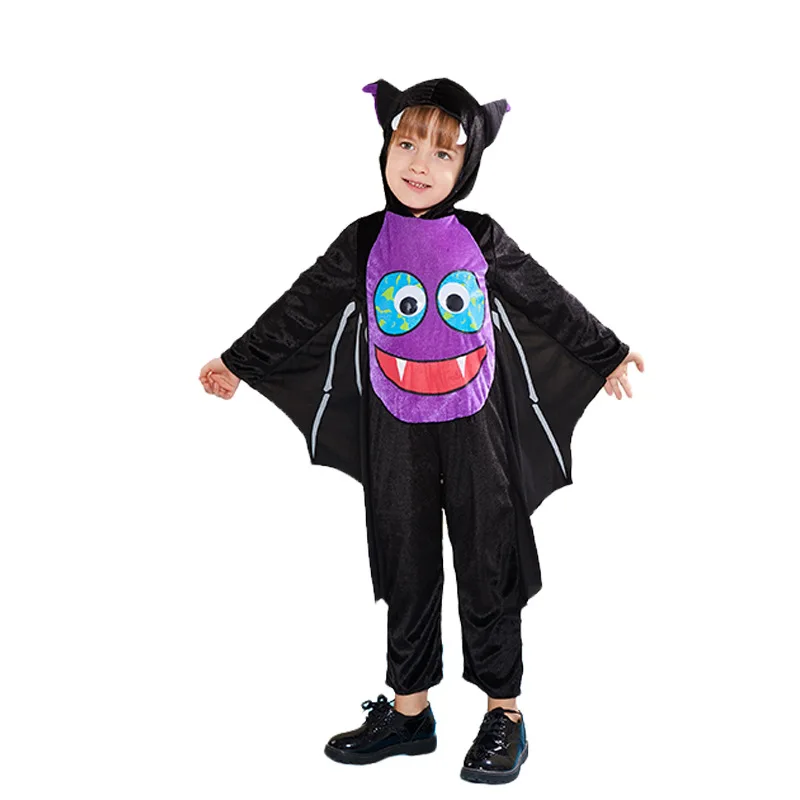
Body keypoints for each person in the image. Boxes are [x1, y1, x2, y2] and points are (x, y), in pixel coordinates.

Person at [198, 77, 644, 785]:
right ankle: (410, 713)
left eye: (442, 153)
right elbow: (301, 308)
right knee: (404, 558)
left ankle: (504, 714)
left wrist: (606, 350)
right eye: (407, 145)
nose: (419, 164)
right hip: (393, 427)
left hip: (478, 427)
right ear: (385, 148)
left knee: (488, 556)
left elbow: (545, 298)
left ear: (466, 167)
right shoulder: (363, 240)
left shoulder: (481, 236)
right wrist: (238, 361)